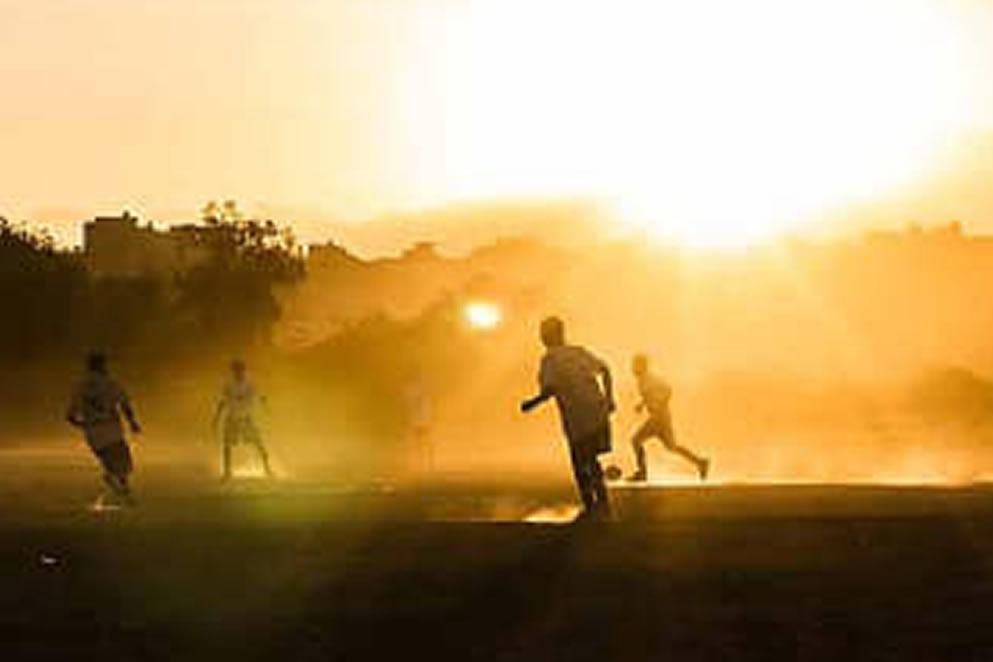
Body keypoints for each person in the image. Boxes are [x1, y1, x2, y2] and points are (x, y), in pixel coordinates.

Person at [521, 316, 615, 519]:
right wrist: (610, 399)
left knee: (579, 460)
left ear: (548, 336)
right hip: (598, 413)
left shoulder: (550, 359)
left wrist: (531, 403)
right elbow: (605, 369)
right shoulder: (578, 352)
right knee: (591, 459)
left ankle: (592, 507)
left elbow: (550, 389)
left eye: (543, 333)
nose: (541, 337)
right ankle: (603, 505)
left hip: (578, 418)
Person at [66, 351, 141, 506]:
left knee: (109, 460)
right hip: (111, 429)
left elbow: (70, 416)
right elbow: (124, 404)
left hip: (93, 433)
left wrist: (84, 425)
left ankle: (123, 490)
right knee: (123, 461)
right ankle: (120, 485)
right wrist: (132, 422)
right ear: (102, 366)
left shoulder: (80, 387)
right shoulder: (110, 383)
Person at [628, 353, 709, 482]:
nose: (632, 369)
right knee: (671, 446)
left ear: (642, 366)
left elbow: (668, 389)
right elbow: (648, 394)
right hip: (659, 417)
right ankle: (700, 462)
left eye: (635, 365)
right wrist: (642, 404)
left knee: (636, 440)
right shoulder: (642, 380)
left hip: (659, 418)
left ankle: (642, 473)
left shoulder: (651, 378)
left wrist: (660, 403)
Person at [213, 359, 274, 480]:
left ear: (244, 370)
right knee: (227, 445)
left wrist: (266, 406)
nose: (239, 372)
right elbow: (222, 401)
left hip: (246, 418)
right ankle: (227, 472)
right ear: (233, 371)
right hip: (232, 418)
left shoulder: (249, 383)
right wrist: (216, 417)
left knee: (258, 444)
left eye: (240, 370)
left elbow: (259, 396)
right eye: (236, 370)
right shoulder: (228, 384)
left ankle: (267, 469)